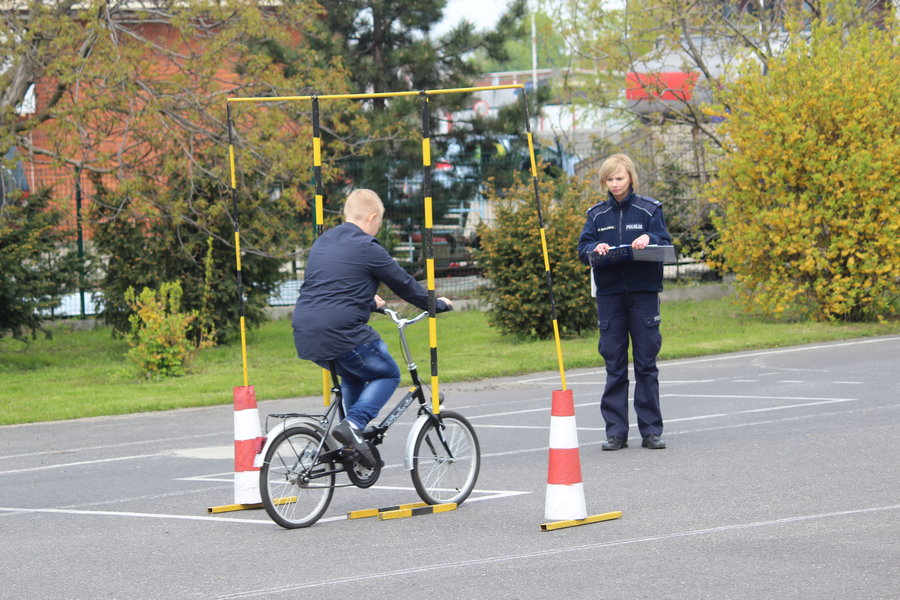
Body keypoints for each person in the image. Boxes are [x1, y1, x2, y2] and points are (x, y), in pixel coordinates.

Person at [292, 189, 452, 467]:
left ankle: (351, 444)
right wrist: (435, 304)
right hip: (341, 332)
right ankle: (353, 425)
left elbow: (331, 288)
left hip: (305, 331)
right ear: (373, 217)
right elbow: (404, 284)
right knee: (387, 373)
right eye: (379, 222)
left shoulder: (323, 242)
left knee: (355, 375)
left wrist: (368, 302)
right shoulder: (367, 246)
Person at [577, 154, 672, 451]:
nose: (614, 184)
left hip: (643, 295)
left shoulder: (649, 210)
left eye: (619, 178)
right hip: (609, 298)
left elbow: (664, 242)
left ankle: (651, 431)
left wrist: (648, 239)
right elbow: (583, 249)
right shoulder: (596, 215)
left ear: (630, 178)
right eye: (609, 179)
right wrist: (596, 247)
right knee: (614, 365)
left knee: (646, 364)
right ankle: (615, 433)